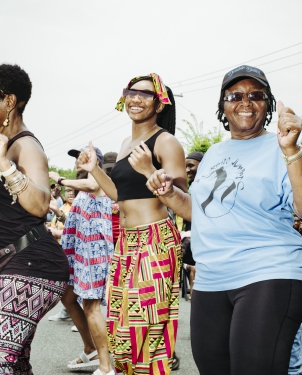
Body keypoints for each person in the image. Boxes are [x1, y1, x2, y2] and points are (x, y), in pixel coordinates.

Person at [144, 65, 302, 374]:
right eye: (235, 95)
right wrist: (168, 194)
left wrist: (292, 150)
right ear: (223, 105)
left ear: (268, 105)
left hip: (268, 274)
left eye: (256, 95)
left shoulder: (281, 148)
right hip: (211, 278)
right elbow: (202, 214)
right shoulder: (214, 154)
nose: (245, 102)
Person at [0, 63, 70, 374]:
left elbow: (41, 203)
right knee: (14, 365)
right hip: (13, 267)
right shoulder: (5, 146)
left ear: (9, 101)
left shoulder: (26, 145)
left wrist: (5, 164)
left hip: (31, 267)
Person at [77, 72, 186, 375]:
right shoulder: (127, 142)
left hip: (154, 241)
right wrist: (95, 170)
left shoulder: (166, 142)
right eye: (131, 92)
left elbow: (183, 200)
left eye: (145, 94)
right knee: (121, 332)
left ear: (160, 103)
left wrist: (150, 169)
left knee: (147, 334)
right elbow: (119, 195)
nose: (136, 98)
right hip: (125, 244)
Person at [50, 147, 114, 375]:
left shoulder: (96, 181)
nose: (79, 159)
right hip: (79, 254)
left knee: (91, 306)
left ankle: (106, 367)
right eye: (76, 157)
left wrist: (59, 178)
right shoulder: (81, 193)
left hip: (93, 252)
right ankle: (91, 348)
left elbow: (93, 185)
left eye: (83, 156)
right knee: (67, 297)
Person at [181, 151, 204, 298]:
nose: (188, 169)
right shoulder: (191, 187)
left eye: (191, 165)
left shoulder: (206, 186)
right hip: (192, 238)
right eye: (186, 167)